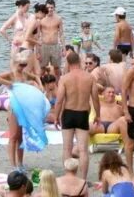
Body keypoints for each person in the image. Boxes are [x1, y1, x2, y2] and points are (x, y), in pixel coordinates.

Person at [55, 52, 100, 180]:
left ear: (68, 63)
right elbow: (95, 98)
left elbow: (59, 100)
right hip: (82, 113)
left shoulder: (64, 78)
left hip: (68, 113)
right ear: (80, 62)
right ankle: (83, 179)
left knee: (67, 149)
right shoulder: (89, 77)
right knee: (83, 150)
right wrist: (98, 115)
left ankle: (68, 177)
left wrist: (56, 116)